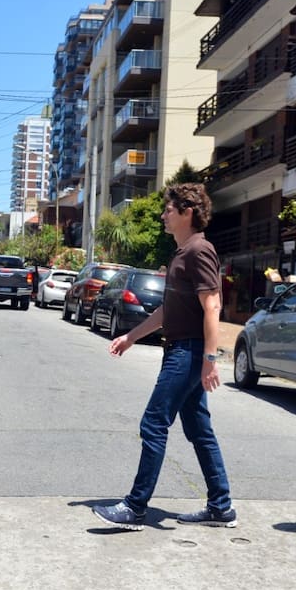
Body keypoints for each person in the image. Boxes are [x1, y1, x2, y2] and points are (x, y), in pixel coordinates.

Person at [93, 183, 237, 531]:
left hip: (187, 352)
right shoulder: (182, 253)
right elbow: (166, 311)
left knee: (154, 423)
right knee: (199, 430)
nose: (162, 215)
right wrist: (130, 337)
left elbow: (212, 305)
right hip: (181, 349)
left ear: (188, 212)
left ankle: (135, 507)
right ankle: (221, 506)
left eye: (169, 209)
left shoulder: (199, 250)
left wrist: (210, 359)